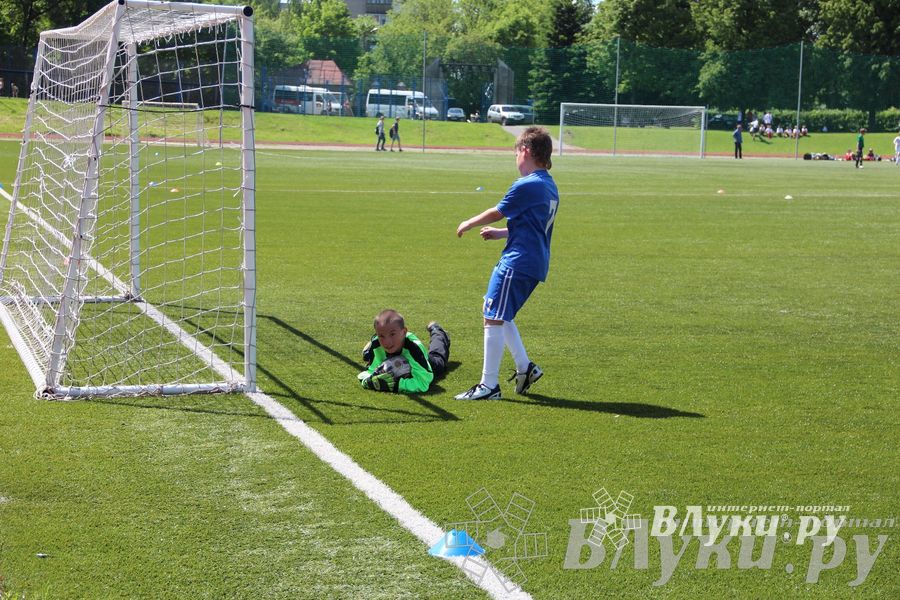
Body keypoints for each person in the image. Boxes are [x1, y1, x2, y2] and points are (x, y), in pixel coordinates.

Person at [454, 126, 559, 400]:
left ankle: (489, 386)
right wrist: (500, 234)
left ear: (525, 151)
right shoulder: (548, 184)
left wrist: (469, 222)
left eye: (516, 153)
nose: (515, 159)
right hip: (533, 261)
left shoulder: (528, 184)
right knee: (499, 311)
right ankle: (525, 368)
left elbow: (498, 212)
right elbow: (530, 225)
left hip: (518, 261)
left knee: (492, 316)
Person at [358, 310, 450, 393]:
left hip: (424, 360)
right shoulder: (377, 343)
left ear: (404, 332)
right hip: (387, 350)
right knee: (368, 356)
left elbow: (423, 383)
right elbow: (369, 372)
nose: (387, 342)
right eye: (381, 336)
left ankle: (437, 331)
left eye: (392, 334)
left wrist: (396, 385)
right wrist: (369, 381)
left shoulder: (414, 348)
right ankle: (368, 352)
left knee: (439, 360)